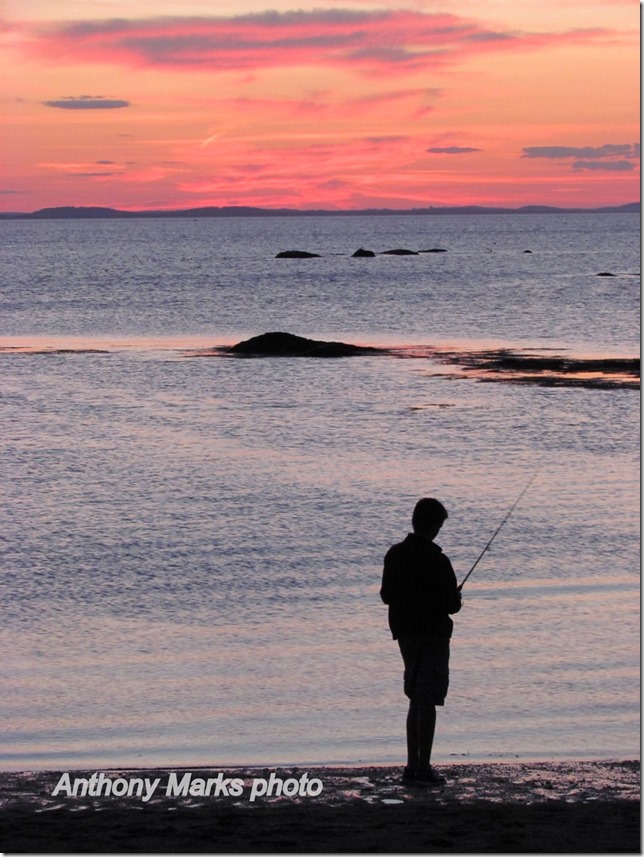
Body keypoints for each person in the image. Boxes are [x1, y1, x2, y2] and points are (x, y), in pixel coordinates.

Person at [380, 497, 462, 786]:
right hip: (434, 635)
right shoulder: (438, 561)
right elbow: (452, 605)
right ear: (434, 526)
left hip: (406, 634)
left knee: (416, 697)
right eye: (439, 525)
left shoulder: (395, 554)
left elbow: (386, 596)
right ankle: (423, 768)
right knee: (426, 699)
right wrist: (455, 598)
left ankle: (412, 765)